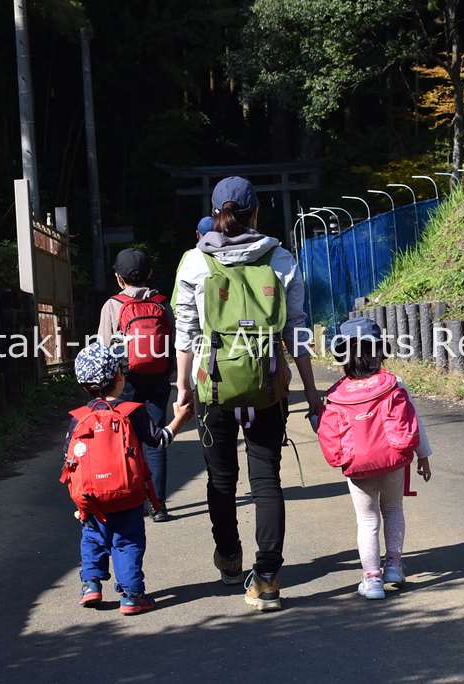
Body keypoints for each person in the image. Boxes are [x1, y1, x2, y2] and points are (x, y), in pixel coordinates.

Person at [173, 176, 323, 612]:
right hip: (267, 383)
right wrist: (311, 391)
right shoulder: (280, 258)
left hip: (213, 384)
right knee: (266, 479)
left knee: (221, 479)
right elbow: (296, 329)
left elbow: (185, 333)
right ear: (256, 212)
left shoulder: (193, 263)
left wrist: (182, 390)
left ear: (216, 214)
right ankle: (270, 578)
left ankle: (229, 559)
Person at [63, 341, 192, 614]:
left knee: (92, 538)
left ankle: (91, 585)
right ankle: (132, 595)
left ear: (83, 385)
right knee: (127, 542)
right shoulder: (132, 412)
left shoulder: (78, 418)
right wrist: (179, 418)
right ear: (120, 377)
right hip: (128, 494)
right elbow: (158, 441)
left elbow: (69, 459)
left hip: (92, 498)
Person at [316, 317, 432, 600]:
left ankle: (372, 580)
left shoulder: (336, 394)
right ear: (379, 350)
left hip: (358, 467)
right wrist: (423, 456)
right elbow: (413, 421)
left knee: (367, 520)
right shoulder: (394, 384)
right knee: (393, 510)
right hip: (393, 462)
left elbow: (329, 432)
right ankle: (393, 566)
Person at [98, 248, 175, 522]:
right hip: (158, 378)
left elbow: (103, 348)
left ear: (119, 278)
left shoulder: (112, 305)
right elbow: (172, 343)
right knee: (155, 440)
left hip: (124, 383)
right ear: (150, 274)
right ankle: (159, 506)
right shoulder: (162, 304)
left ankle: (133, 500)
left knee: (127, 440)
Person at [170, 216, 215, 314]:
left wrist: (174, 311)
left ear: (197, 234)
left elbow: (179, 285)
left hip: (190, 313)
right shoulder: (225, 256)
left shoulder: (189, 256)